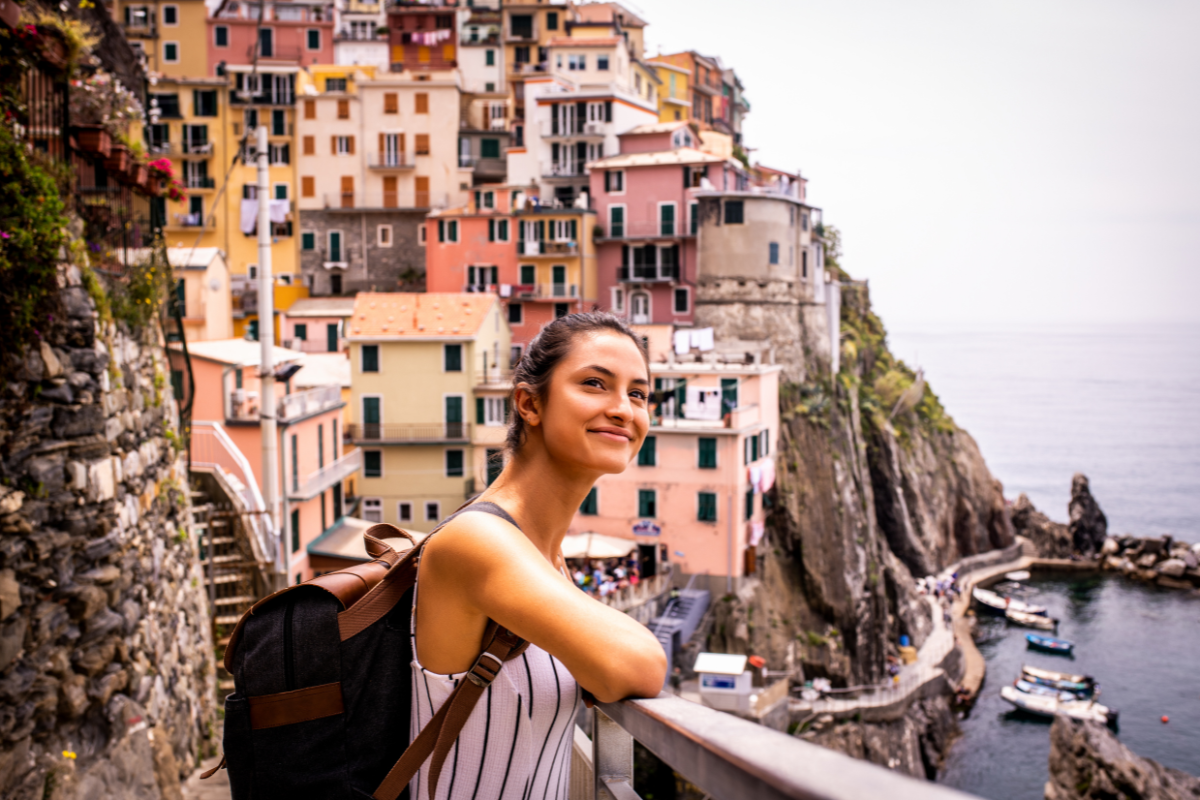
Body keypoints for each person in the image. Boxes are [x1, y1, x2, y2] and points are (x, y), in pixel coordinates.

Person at [410, 313, 667, 800]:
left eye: (638, 394)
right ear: (529, 403)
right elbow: (642, 665)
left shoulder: (544, 558)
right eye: (595, 384)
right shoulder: (478, 543)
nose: (623, 409)